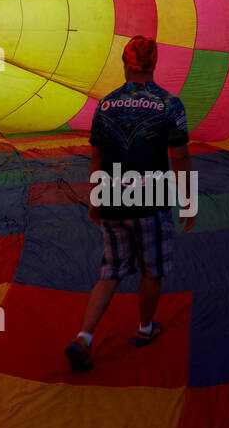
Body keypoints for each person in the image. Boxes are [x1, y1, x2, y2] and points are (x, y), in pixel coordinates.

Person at [65, 35, 192, 372]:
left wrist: (96, 197)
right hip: (150, 200)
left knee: (110, 272)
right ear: (153, 64)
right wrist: (188, 201)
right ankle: (145, 328)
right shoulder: (169, 104)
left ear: (125, 63)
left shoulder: (105, 105)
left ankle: (84, 336)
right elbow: (179, 158)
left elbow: (96, 156)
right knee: (152, 269)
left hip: (113, 199)